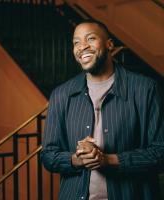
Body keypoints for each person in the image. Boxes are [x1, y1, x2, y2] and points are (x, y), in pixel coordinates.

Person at [41, 19, 164, 200]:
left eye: (90, 39)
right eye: (76, 42)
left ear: (109, 44)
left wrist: (108, 160)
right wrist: (78, 159)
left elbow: (160, 152)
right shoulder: (61, 95)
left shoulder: (145, 89)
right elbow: (48, 156)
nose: (82, 47)